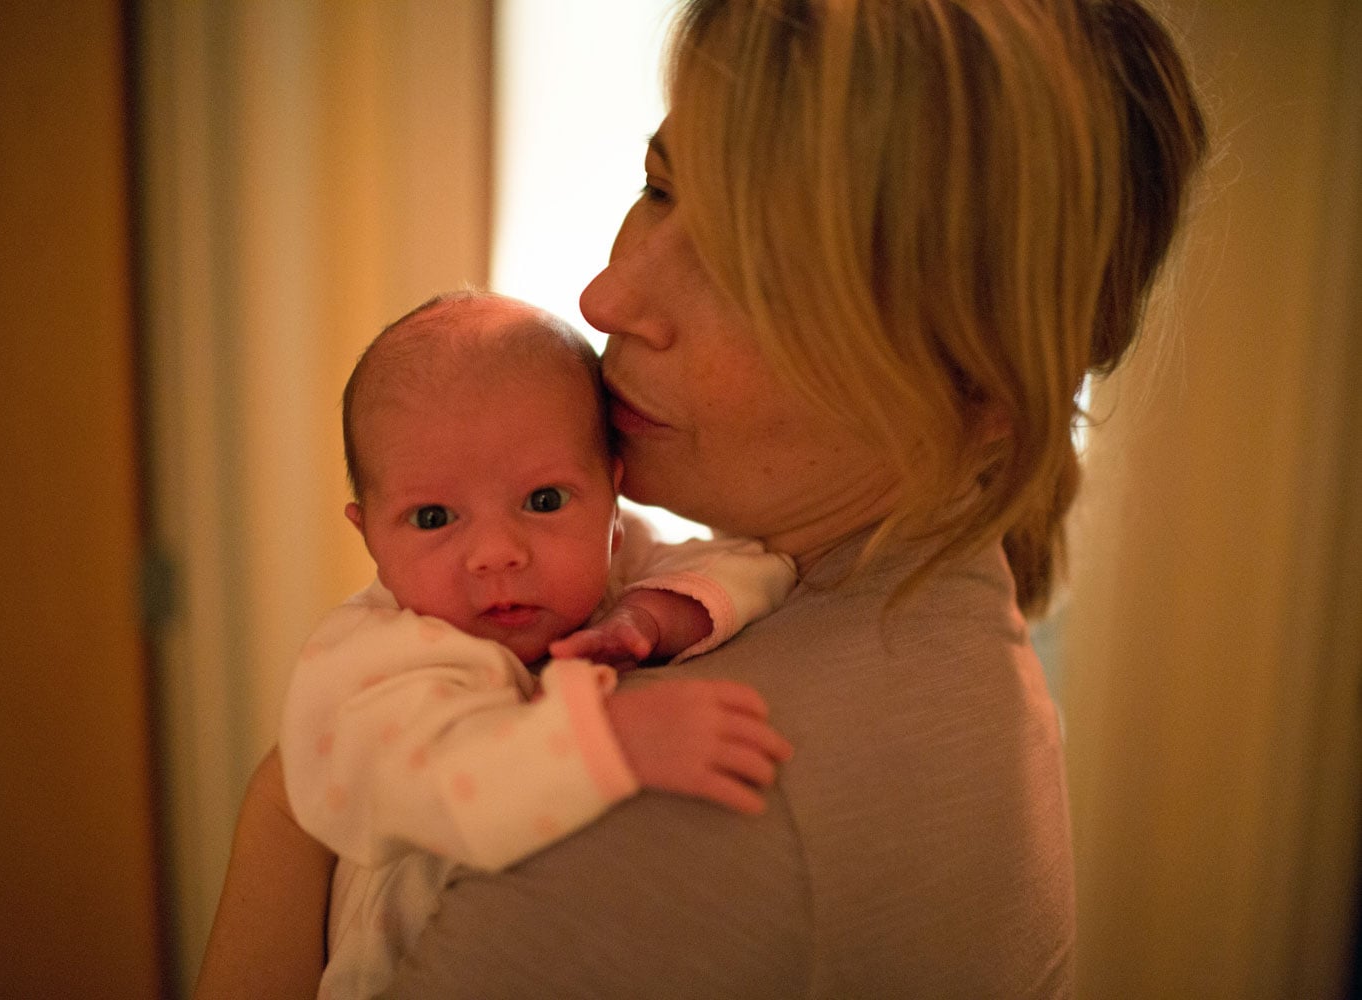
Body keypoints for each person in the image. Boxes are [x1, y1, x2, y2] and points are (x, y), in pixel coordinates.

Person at [195, 0, 1208, 996]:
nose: (606, 297)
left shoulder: (688, 796)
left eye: (752, 268)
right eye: (661, 185)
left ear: (981, 389)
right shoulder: (920, 627)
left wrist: (295, 792)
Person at [280, 290, 797, 998]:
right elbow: (450, 784)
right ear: (368, 534)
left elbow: (755, 564)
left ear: (612, 503)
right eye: (433, 517)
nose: (497, 553)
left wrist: (651, 615)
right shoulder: (369, 663)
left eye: (545, 501)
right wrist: (612, 740)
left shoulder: (618, 566)